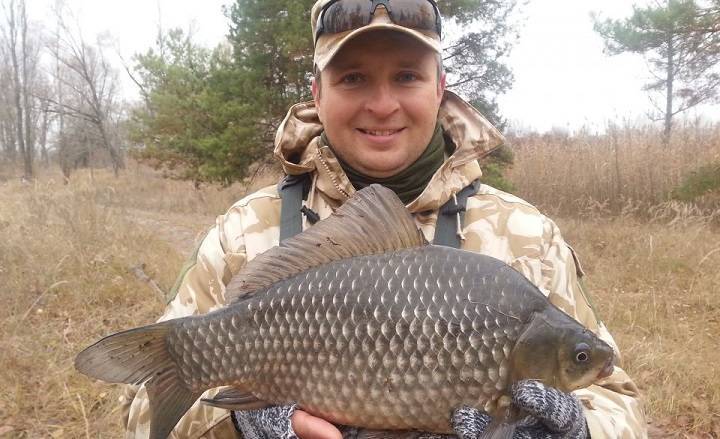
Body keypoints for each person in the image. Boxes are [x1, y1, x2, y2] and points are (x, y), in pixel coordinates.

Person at [120, 0, 647, 437]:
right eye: (353, 78)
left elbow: (617, 400)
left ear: (439, 88)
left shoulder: (526, 236)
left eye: (406, 76)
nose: (382, 103)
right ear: (317, 95)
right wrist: (243, 426)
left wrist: (577, 431)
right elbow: (140, 420)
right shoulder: (243, 233)